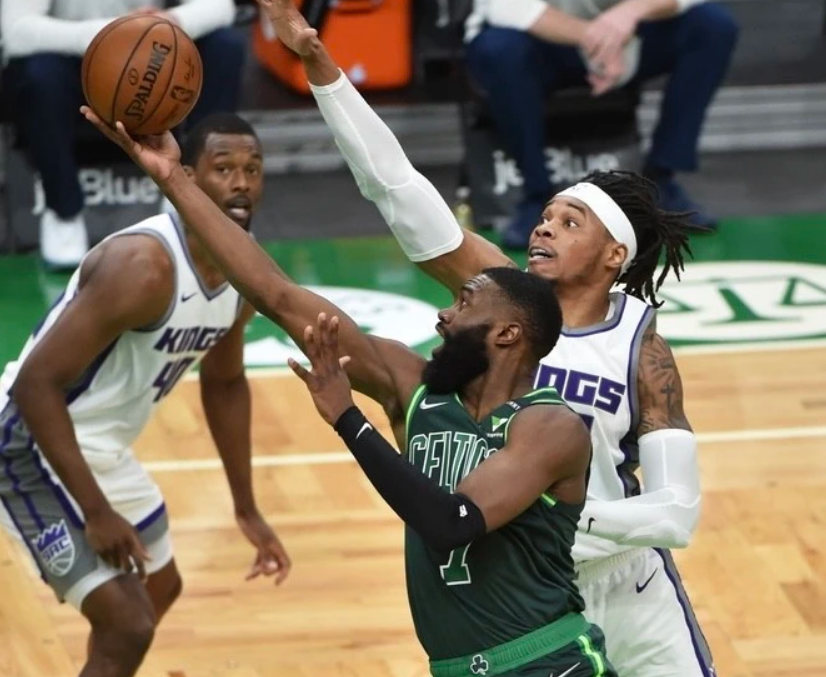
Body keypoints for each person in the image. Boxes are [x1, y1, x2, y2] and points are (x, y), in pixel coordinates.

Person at [81, 96, 620, 677]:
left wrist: (348, 419)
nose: (442, 317)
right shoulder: (412, 386)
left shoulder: (550, 427)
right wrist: (172, 181)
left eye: (462, 304)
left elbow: (450, 524)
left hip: (547, 662)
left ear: (508, 333)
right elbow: (276, 293)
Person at [256, 1, 710, 675]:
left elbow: (676, 512)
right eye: (546, 215)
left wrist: (566, 524)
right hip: (537, 595)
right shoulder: (499, 294)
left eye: (570, 220)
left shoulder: (640, 346)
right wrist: (320, 63)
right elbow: (394, 187)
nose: (544, 228)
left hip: (633, 588)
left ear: (614, 254)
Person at [0, 113, 290, 677]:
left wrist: (247, 507)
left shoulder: (241, 268)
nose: (241, 183)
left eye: (253, 169)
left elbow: (225, 383)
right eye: (223, 167)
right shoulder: (145, 266)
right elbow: (36, 384)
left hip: (101, 448)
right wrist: (97, 512)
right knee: (128, 624)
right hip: (28, 442)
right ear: (186, 175)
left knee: (160, 586)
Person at [464, 0, 739, 244]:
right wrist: (599, 40)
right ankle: (537, 196)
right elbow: (508, 8)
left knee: (712, 26)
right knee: (500, 49)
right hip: (541, 40)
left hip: (628, 34)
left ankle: (660, 181)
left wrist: (632, 11)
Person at [0, 0, 248, 269]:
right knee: (38, 75)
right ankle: (63, 211)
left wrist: (169, 21)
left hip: (154, 58)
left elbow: (221, 6)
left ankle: (196, 198)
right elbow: (15, 30)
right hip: (76, 62)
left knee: (225, 47)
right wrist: (106, 35)